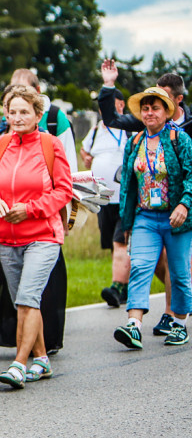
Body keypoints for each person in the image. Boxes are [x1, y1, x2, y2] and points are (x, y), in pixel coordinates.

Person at [0, 70, 77, 363]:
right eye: (12, 112)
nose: (17, 118)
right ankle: (41, 360)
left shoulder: (50, 145)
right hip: (6, 239)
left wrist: (29, 209)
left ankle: (20, 363)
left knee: (28, 298)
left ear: (36, 115)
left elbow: (63, 191)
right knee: (24, 304)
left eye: (24, 112)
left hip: (43, 235)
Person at [98, 61, 191, 334]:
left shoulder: (181, 138)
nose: (149, 112)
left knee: (181, 272)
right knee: (140, 266)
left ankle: (179, 322)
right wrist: (127, 224)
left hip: (180, 214)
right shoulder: (136, 141)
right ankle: (134, 324)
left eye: (156, 107)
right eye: (146, 108)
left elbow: (191, 175)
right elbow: (127, 185)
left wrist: (185, 204)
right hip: (146, 216)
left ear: (171, 107)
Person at [80, 89, 131, 307]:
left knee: (120, 242)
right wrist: (87, 159)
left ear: (121, 105)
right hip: (102, 197)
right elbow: (85, 152)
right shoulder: (94, 131)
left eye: (110, 104)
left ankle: (117, 287)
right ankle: (125, 285)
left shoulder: (127, 128)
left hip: (124, 197)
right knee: (112, 242)